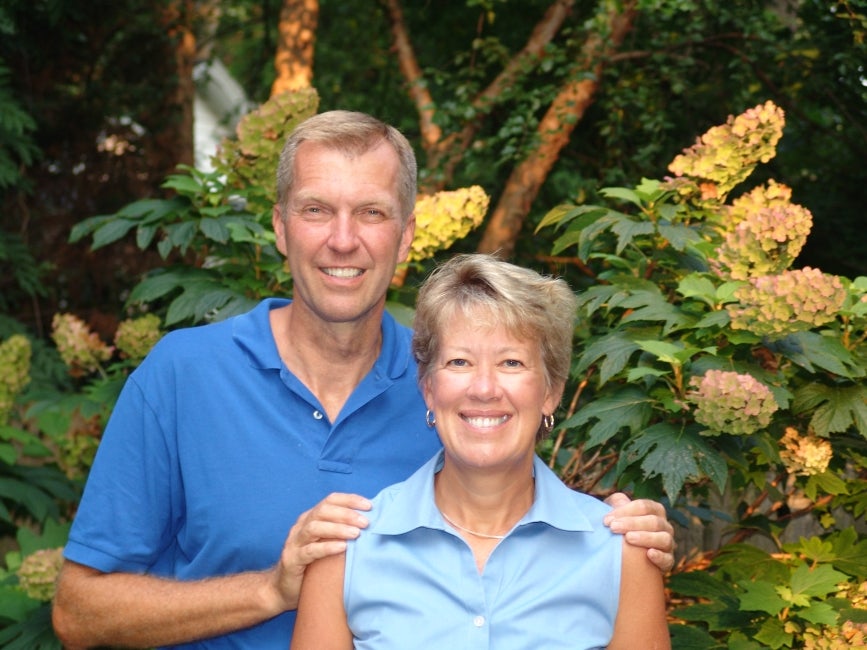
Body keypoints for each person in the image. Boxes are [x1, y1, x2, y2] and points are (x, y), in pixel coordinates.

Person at [52, 110, 674, 650]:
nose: (342, 240)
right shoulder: (183, 376)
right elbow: (78, 613)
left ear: (405, 235)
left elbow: (521, 523)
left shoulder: (451, 382)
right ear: (279, 226)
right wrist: (270, 590)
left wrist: (623, 539)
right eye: (316, 210)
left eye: (370, 213)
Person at [291, 254, 671, 650]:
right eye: (460, 362)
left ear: (551, 391)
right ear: (428, 389)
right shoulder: (345, 551)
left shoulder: (621, 554)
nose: (484, 388)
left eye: (511, 362)